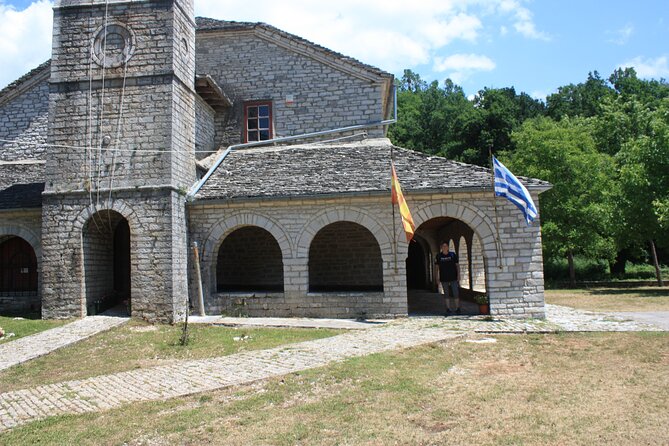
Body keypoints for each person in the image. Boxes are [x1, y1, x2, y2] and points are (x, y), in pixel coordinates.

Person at [435, 241, 461, 315]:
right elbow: (437, 268)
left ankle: (457, 308)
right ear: (441, 247)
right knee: (446, 294)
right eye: (443, 246)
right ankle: (448, 308)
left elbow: (457, 266)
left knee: (456, 293)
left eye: (446, 246)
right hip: (444, 278)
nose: (444, 247)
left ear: (448, 247)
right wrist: (437, 278)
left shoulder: (452, 255)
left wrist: (458, 275)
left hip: (453, 277)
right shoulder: (439, 256)